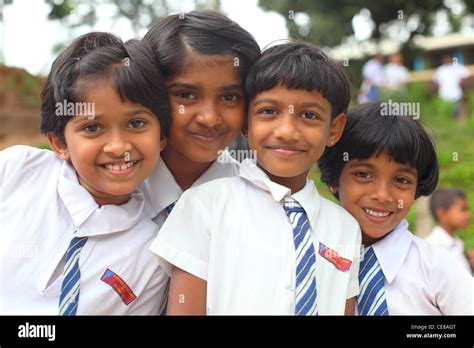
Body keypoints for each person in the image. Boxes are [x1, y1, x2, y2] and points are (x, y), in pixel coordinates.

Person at [151, 41, 361, 315]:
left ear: (334, 129)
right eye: (269, 111)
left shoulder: (345, 227)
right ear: (246, 123)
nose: (286, 131)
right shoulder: (205, 206)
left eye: (309, 115)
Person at [0, 32, 171, 315]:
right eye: (92, 128)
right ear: (59, 143)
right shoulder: (16, 170)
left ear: (162, 137)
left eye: (137, 123)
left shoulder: (153, 254)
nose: (118, 147)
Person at [318, 102, 473, 315]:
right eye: (363, 174)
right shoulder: (311, 259)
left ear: (417, 188)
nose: (382, 195)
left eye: (401, 180)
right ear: (335, 178)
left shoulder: (439, 268)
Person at [141, 10, 260, 227]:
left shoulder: (258, 206)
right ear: (150, 92)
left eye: (229, 97)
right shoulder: (110, 190)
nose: (209, 119)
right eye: (186, 95)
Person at [426, 188, 472, 274]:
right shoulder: (433, 248)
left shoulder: (456, 243)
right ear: (442, 214)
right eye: (463, 209)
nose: (468, 215)